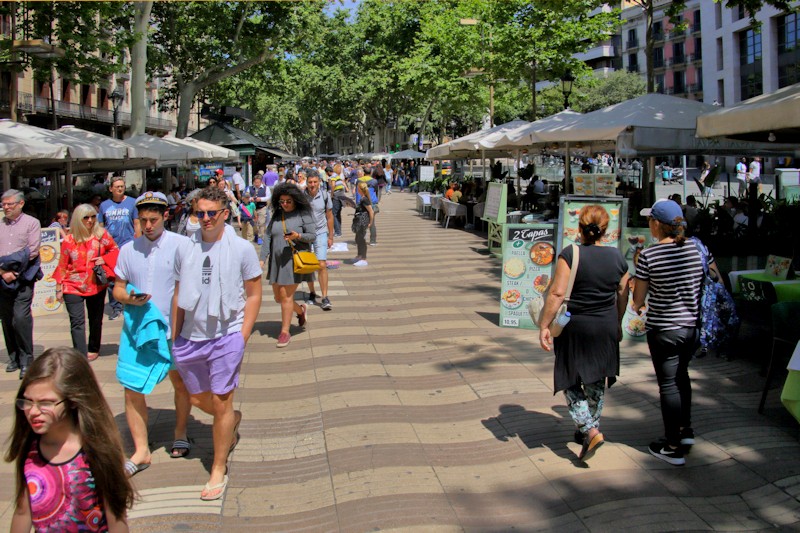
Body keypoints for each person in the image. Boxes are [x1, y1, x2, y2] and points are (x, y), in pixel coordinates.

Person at [172, 186, 262, 500]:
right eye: (200, 213)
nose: (206, 219)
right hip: (190, 337)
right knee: (197, 399)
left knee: (222, 401)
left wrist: (243, 335)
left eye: (212, 213)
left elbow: (253, 294)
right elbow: (177, 295)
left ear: (225, 213)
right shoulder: (184, 248)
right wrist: (174, 336)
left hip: (227, 335)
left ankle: (217, 467)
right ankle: (231, 421)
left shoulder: (241, 249)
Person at [5, 347, 134, 532]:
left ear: (73, 400)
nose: (33, 411)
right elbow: (22, 512)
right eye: (28, 401)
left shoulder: (96, 451)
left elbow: (117, 518)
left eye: (45, 403)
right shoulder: (30, 450)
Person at [538, 205, 629, 462]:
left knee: (569, 378)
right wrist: (618, 321)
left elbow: (556, 293)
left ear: (580, 227)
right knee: (596, 379)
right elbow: (623, 293)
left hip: (575, 327)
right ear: (604, 230)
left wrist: (544, 325)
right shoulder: (618, 258)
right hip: (606, 326)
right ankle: (589, 429)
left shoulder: (570, 254)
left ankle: (589, 429)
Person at [633, 199, 719, 466]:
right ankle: (685, 430)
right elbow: (716, 277)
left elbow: (638, 300)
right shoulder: (698, 248)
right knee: (682, 376)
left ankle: (672, 446)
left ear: (657, 224)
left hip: (664, 330)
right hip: (691, 328)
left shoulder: (649, 255)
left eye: (650, 221)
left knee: (668, 384)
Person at [112, 192, 193, 475]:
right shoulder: (128, 249)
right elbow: (118, 287)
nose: (148, 225)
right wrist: (128, 298)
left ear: (165, 216)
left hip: (175, 329)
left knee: (180, 383)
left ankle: (180, 432)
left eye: (153, 219)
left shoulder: (182, 245)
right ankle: (142, 450)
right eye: (143, 219)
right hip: (138, 330)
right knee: (131, 388)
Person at [54, 204, 118, 362]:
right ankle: (80, 355)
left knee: (95, 319)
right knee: (77, 322)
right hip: (72, 284)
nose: (90, 221)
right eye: (86, 217)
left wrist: (104, 259)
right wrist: (58, 287)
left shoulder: (101, 235)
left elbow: (115, 250)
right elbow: (62, 264)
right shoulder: (69, 239)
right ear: (78, 219)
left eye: (93, 217)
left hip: (96, 282)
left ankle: (93, 347)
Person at [259, 183, 315, 348]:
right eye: (282, 201)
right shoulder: (278, 214)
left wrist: (297, 236)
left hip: (293, 261)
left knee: (285, 295)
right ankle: (300, 311)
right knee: (279, 297)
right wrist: (262, 259)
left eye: (288, 201)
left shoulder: (303, 213)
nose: (284, 204)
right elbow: (268, 236)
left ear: (296, 200)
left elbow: (312, 236)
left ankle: (284, 332)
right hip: (277, 262)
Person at [1, 189, 42, 379]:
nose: (6, 207)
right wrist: (3, 272)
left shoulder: (32, 223)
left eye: (10, 204)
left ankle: (27, 359)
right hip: (2, 278)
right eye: (4, 204)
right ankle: (14, 357)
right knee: (7, 319)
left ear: (21, 204)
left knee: (20, 318)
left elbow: (32, 251)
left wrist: (14, 271)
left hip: (23, 278)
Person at [98, 176, 140, 321]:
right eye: (117, 186)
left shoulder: (132, 203)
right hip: (111, 247)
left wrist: (139, 241)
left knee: (129, 276)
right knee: (112, 278)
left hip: (128, 244)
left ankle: (129, 302)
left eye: (122, 186)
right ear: (111, 189)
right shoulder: (104, 205)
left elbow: (137, 223)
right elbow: (101, 226)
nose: (120, 189)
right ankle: (116, 307)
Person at [304, 171, 335, 311]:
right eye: (310, 182)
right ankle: (311, 292)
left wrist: (331, 236)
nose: (312, 185)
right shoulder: (301, 196)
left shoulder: (324, 195)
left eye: (315, 182)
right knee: (308, 265)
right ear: (306, 182)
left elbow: (329, 216)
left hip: (321, 233)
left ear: (319, 182)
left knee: (321, 264)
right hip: (304, 235)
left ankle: (324, 297)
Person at [350, 181, 375, 267]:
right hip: (360, 221)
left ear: (360, 189)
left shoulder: (364, 199)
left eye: (358, 188)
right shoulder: (362, 198)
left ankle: (363, 258)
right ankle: (359, 256)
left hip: (363, 221)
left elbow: (371, 211)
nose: (357, 190)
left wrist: (371, 222)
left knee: (361, 239)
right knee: (358, 238)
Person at [248, 173, 270, 244]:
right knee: (253, 223)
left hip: (262, 207)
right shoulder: (250, 188)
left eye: (258, 182)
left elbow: (268, 197)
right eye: (255, 182)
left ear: (261, 182)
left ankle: (261, 237)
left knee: (261, 223)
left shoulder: (266, 188)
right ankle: (255, 236)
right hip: (253, 208)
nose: (256, 184)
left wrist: (260, 199)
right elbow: (247, 197)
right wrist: (251, 199)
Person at [329, 163, 347, 237]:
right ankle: (339, 230)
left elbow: (333, 185)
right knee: (338, 213)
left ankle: (337, 232)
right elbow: (343, 184)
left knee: (334, 214)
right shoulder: (338, 176)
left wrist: (331, 194)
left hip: (336, 195)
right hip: (341, 195)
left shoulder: (333, 176)